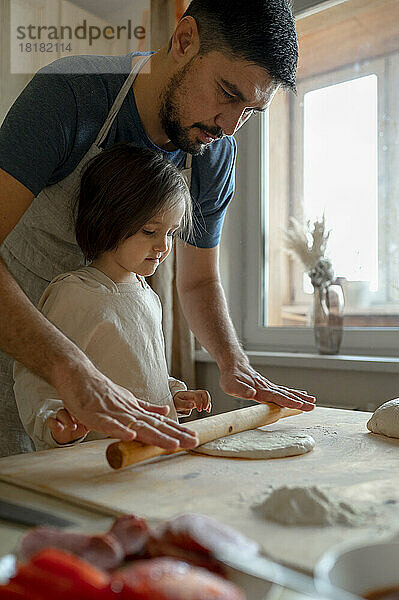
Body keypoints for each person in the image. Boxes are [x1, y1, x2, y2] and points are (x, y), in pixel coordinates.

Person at [0, 0, 315, 457]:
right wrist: (72, 369)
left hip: (110, 403)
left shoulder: (213, 154)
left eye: (250, 111)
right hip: (13, 360)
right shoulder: (69, 94)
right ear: (184, 40)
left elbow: (199, 279)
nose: (230, 127)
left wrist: (233, 361)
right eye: (228, 93)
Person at [13, 144, 211, 451]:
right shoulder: (75, 293)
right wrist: (56, 422)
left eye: (171, 233)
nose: (164, 246)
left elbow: (142, 371)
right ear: (108, 219)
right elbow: (35, 378)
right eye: (149, 231)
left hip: (150, 458)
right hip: (99, 462)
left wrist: (172, 394)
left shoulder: (148, 296)